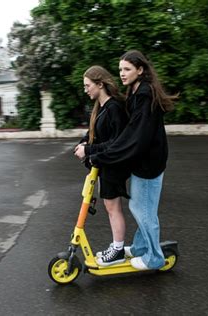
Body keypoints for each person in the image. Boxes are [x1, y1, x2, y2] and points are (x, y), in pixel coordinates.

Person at [76, 50, 177, 270]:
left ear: (140, 70)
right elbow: (129, 135)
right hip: (142, 161)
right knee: (139, 206)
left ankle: (154, 258)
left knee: (144, 210)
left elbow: (134, 137)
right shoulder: (135, 91)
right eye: (120, 69)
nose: (122, 73)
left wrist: (99, 155)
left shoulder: (144, 95)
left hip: (150, 162)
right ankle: (142, 247)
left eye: (127, 69)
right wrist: (96, 151)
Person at [74, 65, 130, 266]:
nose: (86, 89)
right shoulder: (101, 106)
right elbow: (95, 133)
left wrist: (88, 150)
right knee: (109, 206)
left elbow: (117, 143)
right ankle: (117, 247)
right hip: (104, 163)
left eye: (88, 85)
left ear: (100, 84)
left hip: (113, 164)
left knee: (113, 207)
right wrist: (83, 143)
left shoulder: (114, 107)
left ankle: (117, 250)